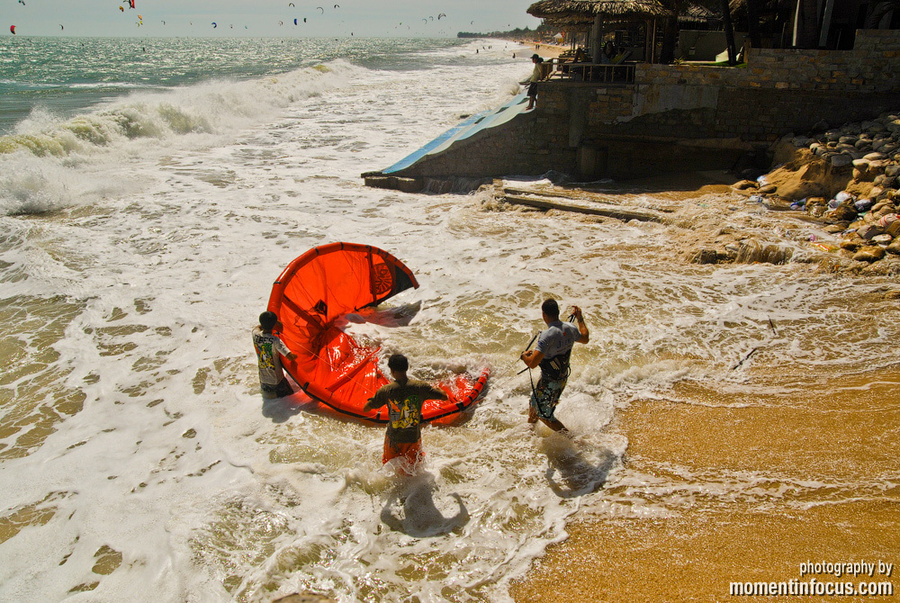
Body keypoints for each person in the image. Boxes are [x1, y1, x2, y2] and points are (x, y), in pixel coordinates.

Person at [363, 353, 448, 472]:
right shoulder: (420, 387)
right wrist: (439, 390)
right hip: (413, 438)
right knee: (414, 470)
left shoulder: (386, 390)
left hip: (394, 440)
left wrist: (373, 399)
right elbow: (444, 397)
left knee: (390, 470)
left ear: (392, 370)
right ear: (407, 368)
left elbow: (366, 408)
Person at [519, 299, 589, 432]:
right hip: (562, 378)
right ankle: (530, 432)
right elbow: (585, 338)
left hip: (550, 381)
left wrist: (524, 357)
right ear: (558, 312)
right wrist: (580, 319)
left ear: (543, 314)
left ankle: (571, 439)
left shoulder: (547, 335)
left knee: (543, 414)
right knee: (535, 404)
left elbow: (532, 363)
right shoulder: (570, 327)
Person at [252, 311, 297, 399]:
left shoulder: (255, 335)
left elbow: (257, 327)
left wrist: (272, 323)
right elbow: (290, 357)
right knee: (290, 398)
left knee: (271, 401)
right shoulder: (275, 341)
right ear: (274, 325)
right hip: (277, 380)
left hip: (263, 379)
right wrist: (298, 355)